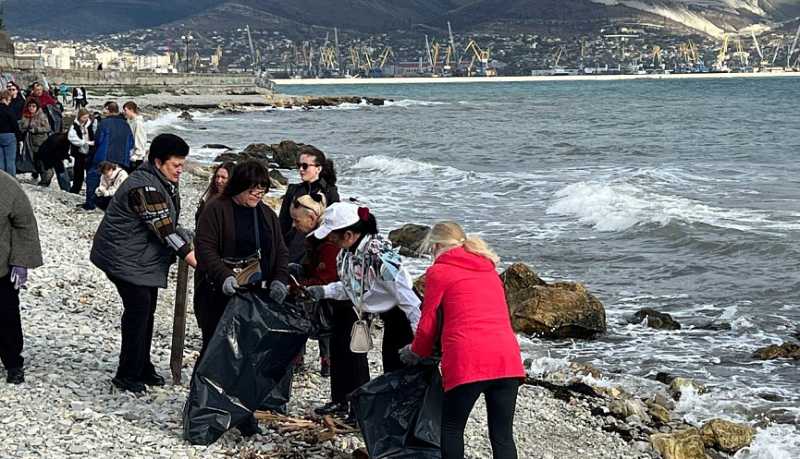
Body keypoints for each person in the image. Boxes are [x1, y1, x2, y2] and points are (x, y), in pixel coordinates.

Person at [399, 222, 525, 459]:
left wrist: (415, 351)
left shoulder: (439, 272)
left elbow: (427, 323)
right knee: (502, 435)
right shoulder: (489, 269)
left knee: (452, 428)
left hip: (469, 358)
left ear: (436, 245)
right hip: (507, 358)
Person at [90, 133, 197, 393]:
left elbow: (168, 221)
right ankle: (126, 374)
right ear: (158, 162)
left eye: (182, 165)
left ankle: (142, 366)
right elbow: (164, 229)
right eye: (176, 165)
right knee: (139, 310)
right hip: (123, 258)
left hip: (139, 258)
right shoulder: (144, 187)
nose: (180, 170)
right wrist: (196, 260)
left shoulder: (160, 180)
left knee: (146, 309)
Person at [306, 202, 421, 374]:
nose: (330, 239)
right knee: (391, 371)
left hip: (405, 316)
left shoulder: (380, 258)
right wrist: (324, 291)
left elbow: (410, 300)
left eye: (332, 236)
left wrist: (418, 344)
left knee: (401, 372)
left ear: (348, 235)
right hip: (389, 314)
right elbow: (353, 287)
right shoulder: (348, 253)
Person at [194, 160, 290, 359]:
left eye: (262, 190)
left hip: (257, 294)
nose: (258, 194)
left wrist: (280, 279)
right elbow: (204, 248)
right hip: (219, 294)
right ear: (239, 185)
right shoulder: (215, 208)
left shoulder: (267, 214)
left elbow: (281, 250)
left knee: (250, 352)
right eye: (253, 190)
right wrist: (224, 275)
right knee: (216, 349)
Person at [290, 195, 370, 417]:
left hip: (356, 309)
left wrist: (309, 287)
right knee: (339, 351)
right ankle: (341, 401)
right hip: (340, 303)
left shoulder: (367, 251)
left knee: (355, 358)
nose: (331, 239)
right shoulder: (343, 248)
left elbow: (345, 284)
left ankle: (359, 409)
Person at [0, 170, 43, 384]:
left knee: (6, 316)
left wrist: (21, 261)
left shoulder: (6, 184)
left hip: (1, 266)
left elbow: (25, 224)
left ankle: (13, 363)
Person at [278, 146, 339, 263]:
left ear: (318, 169)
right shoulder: (293, 190)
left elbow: (333, 226)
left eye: (305, 166)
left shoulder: (330, 192)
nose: (301, 169)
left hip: (316, 248)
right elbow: (283, 222)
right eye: (299, 165)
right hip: (291, 245)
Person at [82, 102, 134, 210]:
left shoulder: (104, 123)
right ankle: (113, 206)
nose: (103, 111)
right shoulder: (126, 125)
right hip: (121, 159)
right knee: (117, 183)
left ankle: (90, 204)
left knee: (93, 178)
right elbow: (131, 143)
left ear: (109, 110)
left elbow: (98, 140)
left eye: (105, 109)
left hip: (104, 156)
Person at [18, 100, 52, 183]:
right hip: (29, 143)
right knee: (34, 160)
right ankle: (35, 174)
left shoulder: (42, 116)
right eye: (30, 106)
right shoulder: (25, 116)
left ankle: (46, 179)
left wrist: (36, 129)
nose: (31, 108)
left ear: (37, 107)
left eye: (33, 106)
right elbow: (21, 127)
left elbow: (47, 128)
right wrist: (24, 127)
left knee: (41, 161)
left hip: (41, 142)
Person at [67, 108, 96, 194]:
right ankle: (76, 189)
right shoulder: (74, 126)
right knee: (78, 172)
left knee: (90, 171)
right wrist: (83, 142)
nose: (85, 119)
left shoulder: (91, 125)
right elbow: (71, 137)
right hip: (79, 152)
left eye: (86, 117)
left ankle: (90, 190)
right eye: (83, 117)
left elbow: (95, 133)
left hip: (90, 151)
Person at [0, 90, 22, 176]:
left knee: (0, 161)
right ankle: (11, 181)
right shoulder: (8, 110)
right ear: (6, 98)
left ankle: (2, 180)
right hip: (9, 135)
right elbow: (14, 124)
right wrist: (19, 137)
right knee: (10, 161)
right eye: (9, 100)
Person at [123, 101, 147, 170]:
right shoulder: (130, 121)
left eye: (125, 110)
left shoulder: (138, 123)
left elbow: (140, 139)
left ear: (131, 110)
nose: (124, 112)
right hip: (130, 154)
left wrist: (136, 154)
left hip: (136, 158)